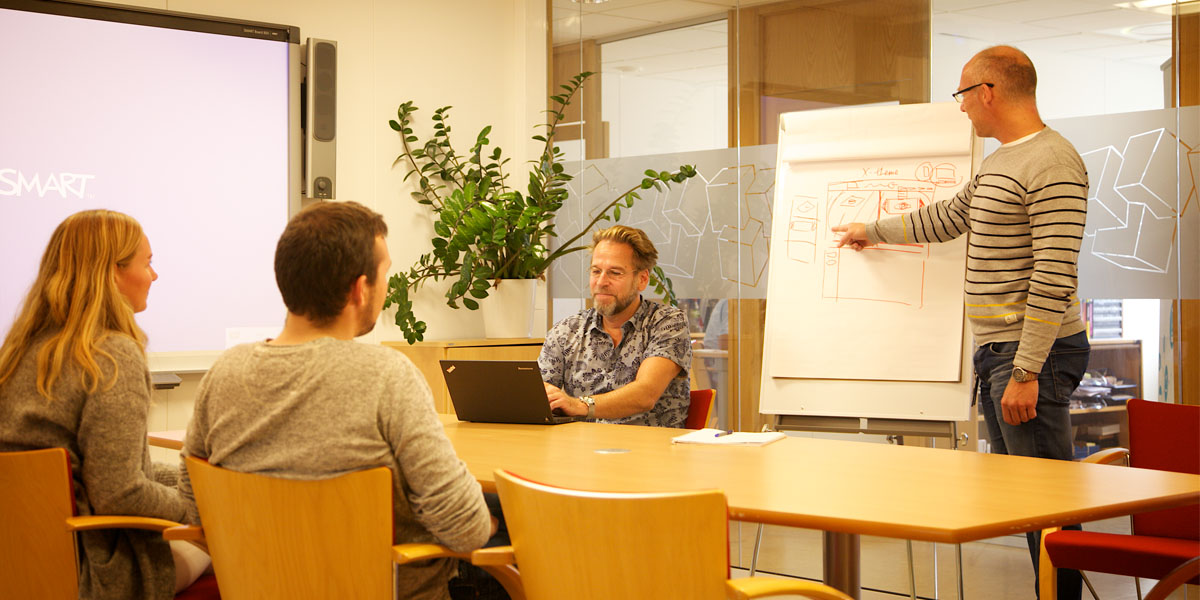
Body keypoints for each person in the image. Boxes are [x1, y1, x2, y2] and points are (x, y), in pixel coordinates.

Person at [833, 45, 1088, 600]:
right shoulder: (1002, 160)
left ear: (989, 92)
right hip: (999, 354)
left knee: (1049, 507)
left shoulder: (1053, 161)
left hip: (1030, 356)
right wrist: (872, 230)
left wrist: (1026, 369)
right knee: (1025, 502)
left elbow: (1054, 272)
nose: (962, 107)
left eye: (963, 94)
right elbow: (949, 216)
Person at [178, 201, 494, 600]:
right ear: (360, 289)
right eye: (385, 275)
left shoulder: (224, 374)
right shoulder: (387, 376)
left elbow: (193, 504)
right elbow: (466, 529)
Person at [0, 209, 210, 599]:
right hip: (91, 570)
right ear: (114, 272)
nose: (154, 276)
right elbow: (120, 491)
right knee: (232, 555)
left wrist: (192, 481)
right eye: (148, 263)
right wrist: (202, 510)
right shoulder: (112, 355)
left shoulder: (18, 354)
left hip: (16, 563)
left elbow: (101, 470)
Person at [538, 225, 692, 427]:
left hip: (651, 452)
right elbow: (538, 396)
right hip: (583, 451)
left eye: (615, 273)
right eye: (596, 271)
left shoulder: (667, 323)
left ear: (642, 279)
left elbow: (645, 394)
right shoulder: (567, 331)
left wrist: (580, 405)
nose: (601, 282)